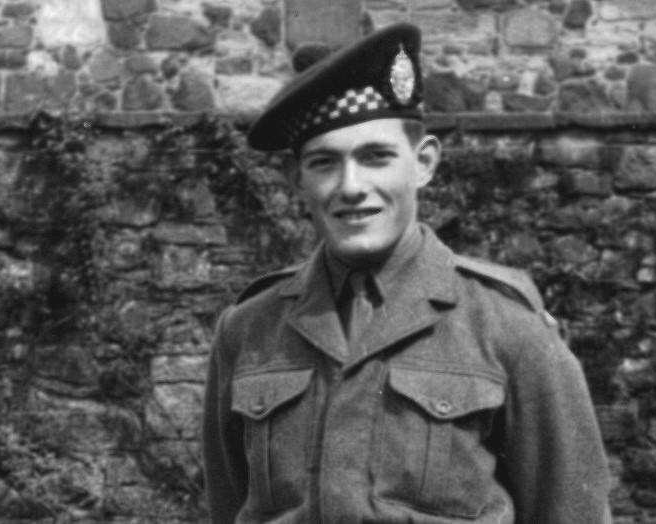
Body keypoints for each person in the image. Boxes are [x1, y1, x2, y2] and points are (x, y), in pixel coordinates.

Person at [202, 22, 612, 524]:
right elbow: (227, 505)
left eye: (376, 157)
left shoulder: (507, 325)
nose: (351, 187)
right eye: (324, 163)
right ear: (296, 179)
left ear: (423, 163)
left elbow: (571, 509)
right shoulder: (248, 330)